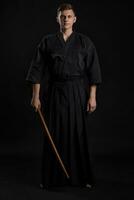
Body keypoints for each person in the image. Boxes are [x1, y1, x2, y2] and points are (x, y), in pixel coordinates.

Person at [26, 3, 102, 189]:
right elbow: (37, 70)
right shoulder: (47, 41)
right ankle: (52, 178)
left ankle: (82, 177)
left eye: (69, 16)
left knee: (77, 132)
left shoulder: (85, 42)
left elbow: (94, 71)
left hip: (77, 91)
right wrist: (36, 96)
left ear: (74, 19)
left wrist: (92, 97)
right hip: (54, 91)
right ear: (57, 19)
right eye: (62, 16)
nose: (66, 19)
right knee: (55, 132)